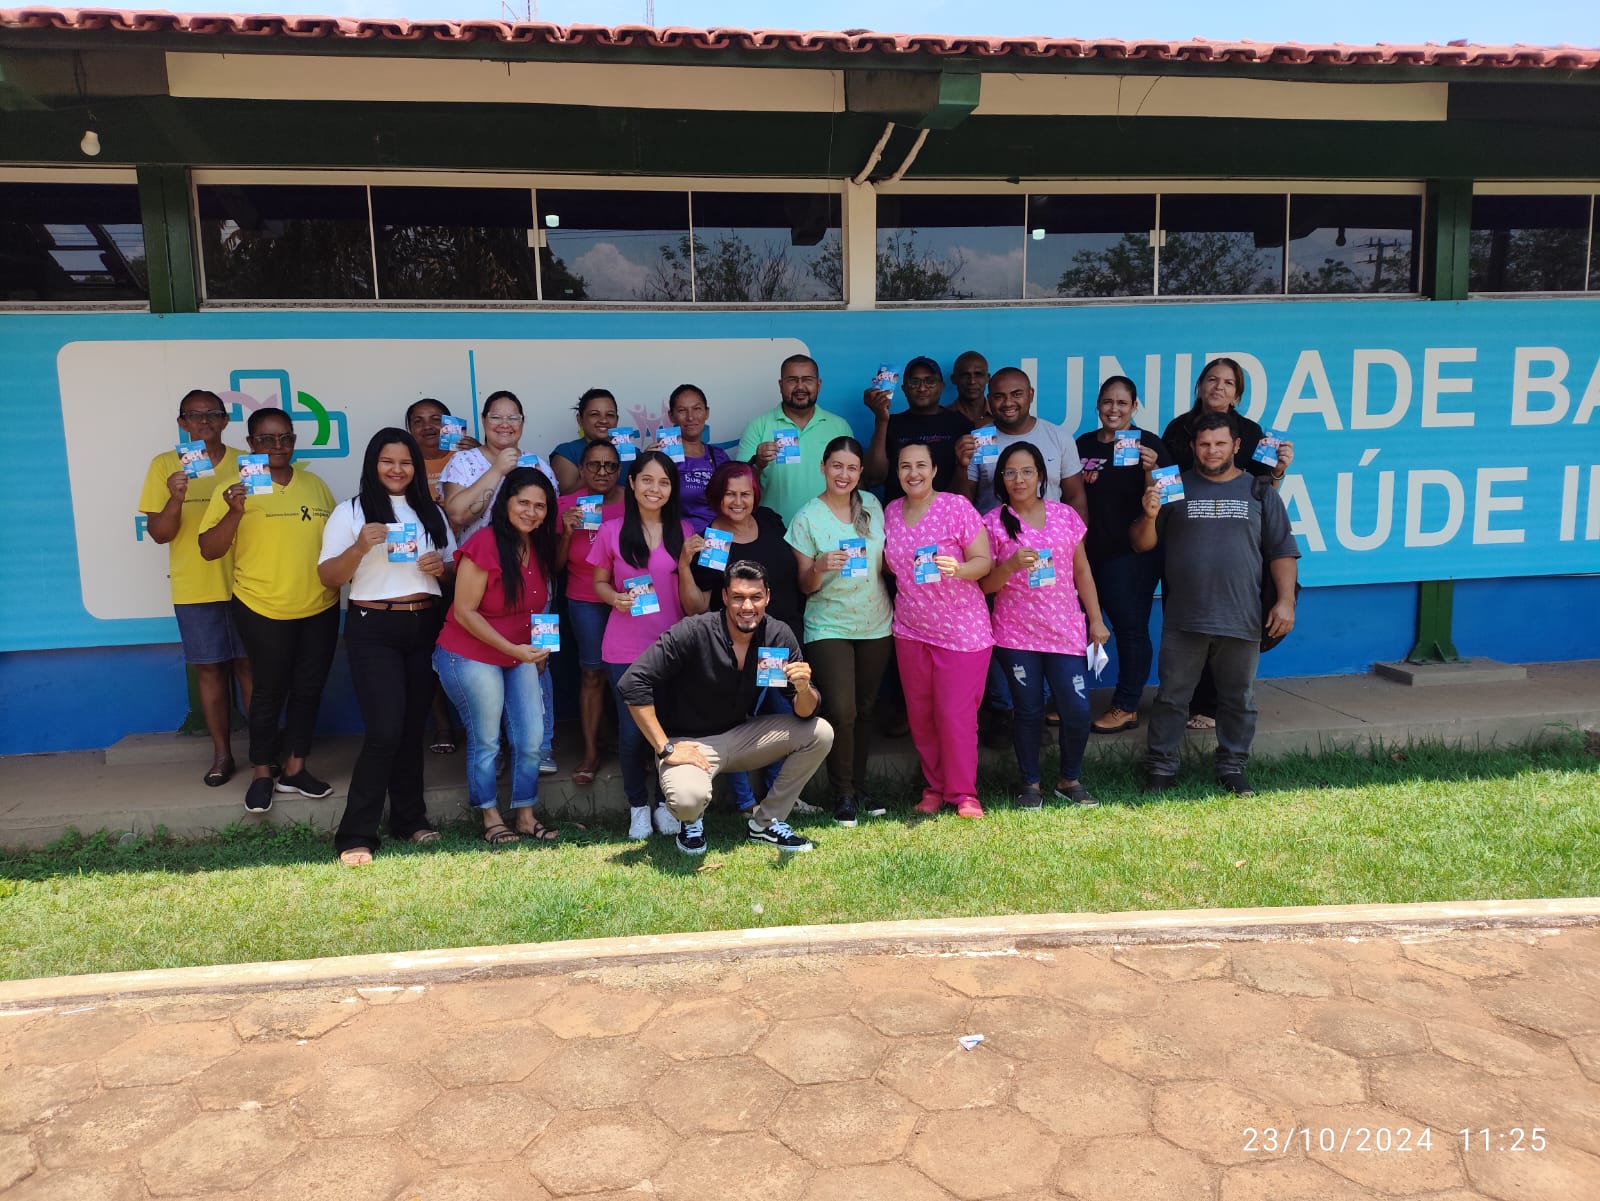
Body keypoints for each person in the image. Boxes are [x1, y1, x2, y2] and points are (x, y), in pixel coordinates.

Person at [1132, 411, 1300, 796]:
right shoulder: (1172, 486)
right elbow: (1142, 544)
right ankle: (1160, 768)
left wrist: (1286, 601)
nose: (1212, 450)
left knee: (1239, 699)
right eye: (1204, 444)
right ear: (1192, 446)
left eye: (1220, 443)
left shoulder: (1259, 491)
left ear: (1236, 446)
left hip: (1242, 616)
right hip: (1184, 618)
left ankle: (1233, 767)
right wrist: (1148, 513)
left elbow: (1282, 552)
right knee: (1172, 697)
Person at [617, 560, 834, 856]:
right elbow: (633, 682)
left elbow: (805, 712)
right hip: (688, 744)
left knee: (820, 732)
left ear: (768, 597)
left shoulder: (777, 635)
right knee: (687, 799)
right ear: (724, 597)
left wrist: (803, 688)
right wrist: (665, 748)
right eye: (738, 597)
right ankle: (691, 823)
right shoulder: (693, 631)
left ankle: (767, 822)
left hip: (740, 736)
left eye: (756, 597)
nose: (747, 606)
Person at [317, 428, 455, 865]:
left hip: (424, 623)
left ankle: (410, 820)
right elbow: (329, 577)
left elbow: (450, 571)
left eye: (406, 462)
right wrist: (360, 546)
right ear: (372, 465)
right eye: (387, 461)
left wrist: (442, 569)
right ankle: (355, 833)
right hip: (372, 625)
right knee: (384, 732)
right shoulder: (350, 512)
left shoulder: (431, 512)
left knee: (412, 729)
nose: (397, 470)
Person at [198, 407, 338, 813]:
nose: (278, 447)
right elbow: (209, 549)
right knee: (267, 693)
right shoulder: (233, 487)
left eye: (286, 439)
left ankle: (295, 769)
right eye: (267, 439)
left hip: (320, 605)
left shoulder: (316, 486)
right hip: (262, 607)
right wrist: (235, 511)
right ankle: (263, 772)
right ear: (251, 443)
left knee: (309, 690)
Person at [1159, 358, 1297, 731]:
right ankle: (1187, 702)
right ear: (1200, 386)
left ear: (1238, 394)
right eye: (1212, 380)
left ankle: (1214, 704)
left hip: (1237, 541)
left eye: (1228, 383)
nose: (1219, 387)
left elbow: (1262, 494)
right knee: (1188, 627)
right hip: (1186, 537)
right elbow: (1167, 484)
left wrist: (1279, 471)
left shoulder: (1252, 432)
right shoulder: (1177, 429)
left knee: (1231, 632)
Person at [432, 466, 563, 846]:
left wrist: (543, 652)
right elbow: (464, 611)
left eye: (540, 506)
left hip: (518, 654)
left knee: (531, 737)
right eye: (523, 502)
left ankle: (525, 814)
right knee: (487, 737)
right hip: (469, 654)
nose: (531, 512)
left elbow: (541, 604)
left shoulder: (537, 544)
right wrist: (515, 651)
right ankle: (490, 816)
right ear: (505, 502)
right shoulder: (484, 544)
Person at [982, 442, 1111, 809]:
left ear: (1041, 475)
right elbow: (984, 586)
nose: (1018, 479)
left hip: (1065, 629)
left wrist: (1096, 620)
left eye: (1026, 471)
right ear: (1001, 479)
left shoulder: (1065, 516)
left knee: (1077, 708)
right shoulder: (991, 523)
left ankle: (1069, 780)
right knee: (1027, 709)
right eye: (1009, 472)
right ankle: (1030, 785)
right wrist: (1008, 567)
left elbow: (1082, 570)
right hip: (1015, 632)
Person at [138, 388, 252, 788]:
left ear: (225, 421)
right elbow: (159, 534)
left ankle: (262, 754)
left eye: (213, 414)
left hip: (249, 583)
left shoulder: (247, 463)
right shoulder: (165, 466)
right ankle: (222, 754)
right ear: (182, 423)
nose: (204, 422)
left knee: (249, 667)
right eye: (195, 415)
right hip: (195, 586)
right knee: (209, 670)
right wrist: (174, 499)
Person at [441, 389, 558, 772]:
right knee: (489, 665)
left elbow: (550, 522)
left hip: (534, 574)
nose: (505, 424)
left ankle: (539, 748)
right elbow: (457, 514)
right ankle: (505, 751)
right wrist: (498, 471)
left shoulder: (539, 464)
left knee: (538, 660)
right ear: (484, 422)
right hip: (484, 577)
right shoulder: (464, 462)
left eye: (513, 418)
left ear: (523, 423)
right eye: (496, 417)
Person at [588, 451, 698, 840]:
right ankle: (638, 806)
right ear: (632, 484)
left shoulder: (685, 531)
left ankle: (667, 803)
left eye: (664, 482)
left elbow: (694, 597)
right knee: (633, 734)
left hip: (673, 646)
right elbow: (598, 582)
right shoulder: (610, 531)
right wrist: (613, 598)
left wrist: (686, 563)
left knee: (669, 731)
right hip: (625, 646)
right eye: (647, 480)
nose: (655, 489)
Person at [682, 461, 804, 814]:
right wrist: (685, 564)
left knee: (785, 718)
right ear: (717, 497)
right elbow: (697, 605)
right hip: (738, 647)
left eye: (745, 494)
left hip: (782, 639)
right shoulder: (714, 541)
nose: (738, 501)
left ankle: (782, 796)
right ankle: (747, 802)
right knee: (736, 721)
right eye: (730, 494)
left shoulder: (769, 521)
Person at [786, 435, 895, 826]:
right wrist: (818, 567)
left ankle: (860, 787)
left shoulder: (873, 505)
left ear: (860, 472)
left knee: (865, 709)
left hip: (875, 621)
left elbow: (886, 564)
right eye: (836, 466)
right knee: (842, 710)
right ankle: (843, 793)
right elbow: (803, 585)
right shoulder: (807, 517)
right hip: (828, 623)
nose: (843, 474)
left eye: (851, 468)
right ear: (823, 467)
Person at [882, 442, 994, 818]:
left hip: (962, 630)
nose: (912, 473)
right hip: (911, 629)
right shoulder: (891, 512)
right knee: (922, 713)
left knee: (954, 714)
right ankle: (934, 787)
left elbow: (984, 561)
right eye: (904, 466)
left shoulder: (956, 506)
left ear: (933, 470)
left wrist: (958, 569)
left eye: (920, 466)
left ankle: (963, 793)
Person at [1076, 376, 1172, 734]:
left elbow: (1168, 500)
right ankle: (1072, 697)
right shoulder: (1083, 443)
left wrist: (1152, 471)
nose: (1113, 409)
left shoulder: (1150, 444)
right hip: (1088, 552)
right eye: (1107, 402)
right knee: (1081, 626)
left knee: (1130, 628)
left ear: (1134, 406)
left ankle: (1127, 704)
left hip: (1131, 553)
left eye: (1121, 403)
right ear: (1098, 405)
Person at [556, 437, 626, 785]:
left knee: (629, 675)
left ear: (619, 469)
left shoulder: (634, 501)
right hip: (585, 599)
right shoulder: (565, 504)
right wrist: (567, 531)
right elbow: (553, 564)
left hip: (628, 599)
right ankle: (590, 752)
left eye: (610, 465)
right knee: (592, 674)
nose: (602, 471)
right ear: (581, 470)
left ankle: (633, 749)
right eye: (594, 465)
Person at [737, 354, 854, 524]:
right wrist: (758, 463)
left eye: (807, 380)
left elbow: (855, 480)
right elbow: (739, 485)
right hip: (775, 530)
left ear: (819, 384)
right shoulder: (758, 426)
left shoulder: (839, 427)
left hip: (828, 528)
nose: (800, 386)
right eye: (792, 380)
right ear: (780, 385)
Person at [967, 367, 1087, 518]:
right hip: (991, 538)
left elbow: (1075, 498)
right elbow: (963, 501)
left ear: (1031, 395)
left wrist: (1077, 541)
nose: (1008, 403)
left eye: (1017, 394)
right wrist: (961, 465)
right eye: (999, 396)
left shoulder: (1059, 437)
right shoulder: (980, 439)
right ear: (989, 400)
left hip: (1049, 539)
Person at [864, 355, 975, 501]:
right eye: (914, 382)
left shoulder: (961, 424)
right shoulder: (891, 424)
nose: (922, 388)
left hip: (947, 516)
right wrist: (882, 420)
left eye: (930, 381)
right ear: (904, 389)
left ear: (942, 386)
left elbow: (971, 485)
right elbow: (873, 478)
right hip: (900, 516)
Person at [662, 383, 731, 528]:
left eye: (697, 409)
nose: (690, 417)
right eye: (682, 410)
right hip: (678, 540)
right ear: (671, 416)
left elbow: (734, 499)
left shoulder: (719, 456)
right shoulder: (662, 457)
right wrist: (650, 461)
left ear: (707, 413)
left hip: (717, 541)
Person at [551, 388, 620, 495]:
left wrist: (648, 459)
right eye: (594, 414)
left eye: (610, 415)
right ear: (580, 419)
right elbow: (564, 499)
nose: (603, 420)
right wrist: (595, 475)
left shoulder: (632, 453)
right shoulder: (567, 452)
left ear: (617, 420)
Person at [948, 350, 991, 426]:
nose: (972, 381)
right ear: (954, 379)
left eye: (978, 374)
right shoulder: (942, 417)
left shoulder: (1001, 416)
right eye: (965, 375)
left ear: (987, 378)